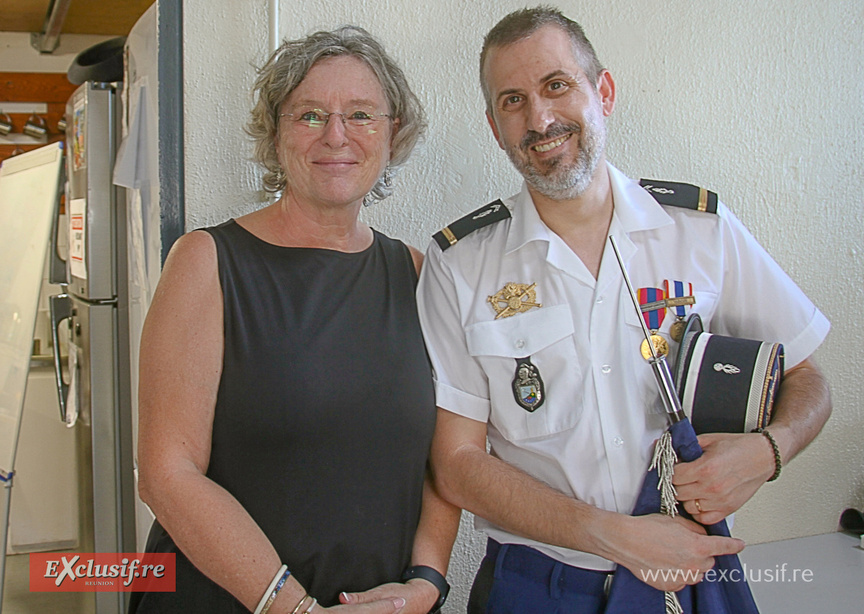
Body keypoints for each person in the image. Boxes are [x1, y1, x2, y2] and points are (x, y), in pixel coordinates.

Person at [417, 6, 832, 613]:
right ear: (494, 126)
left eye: (558, 85)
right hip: (537, 587)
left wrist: (770, 451)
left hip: (693, 580)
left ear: (602, 92)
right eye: (513, 100)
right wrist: (618, 538)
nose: (540, 117)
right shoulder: (460, 264)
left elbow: (809, 376)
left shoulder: (701, 232)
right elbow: (456, 463)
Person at [132, 26, 459, 614]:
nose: (336, 135)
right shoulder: (206, 261)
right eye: (310, 115)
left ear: (393, 134)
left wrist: (426, 582)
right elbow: (165, 474)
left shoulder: (414, 272)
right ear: (275, 134)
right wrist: (295, 608)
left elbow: (446, 457)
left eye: (361, 114)